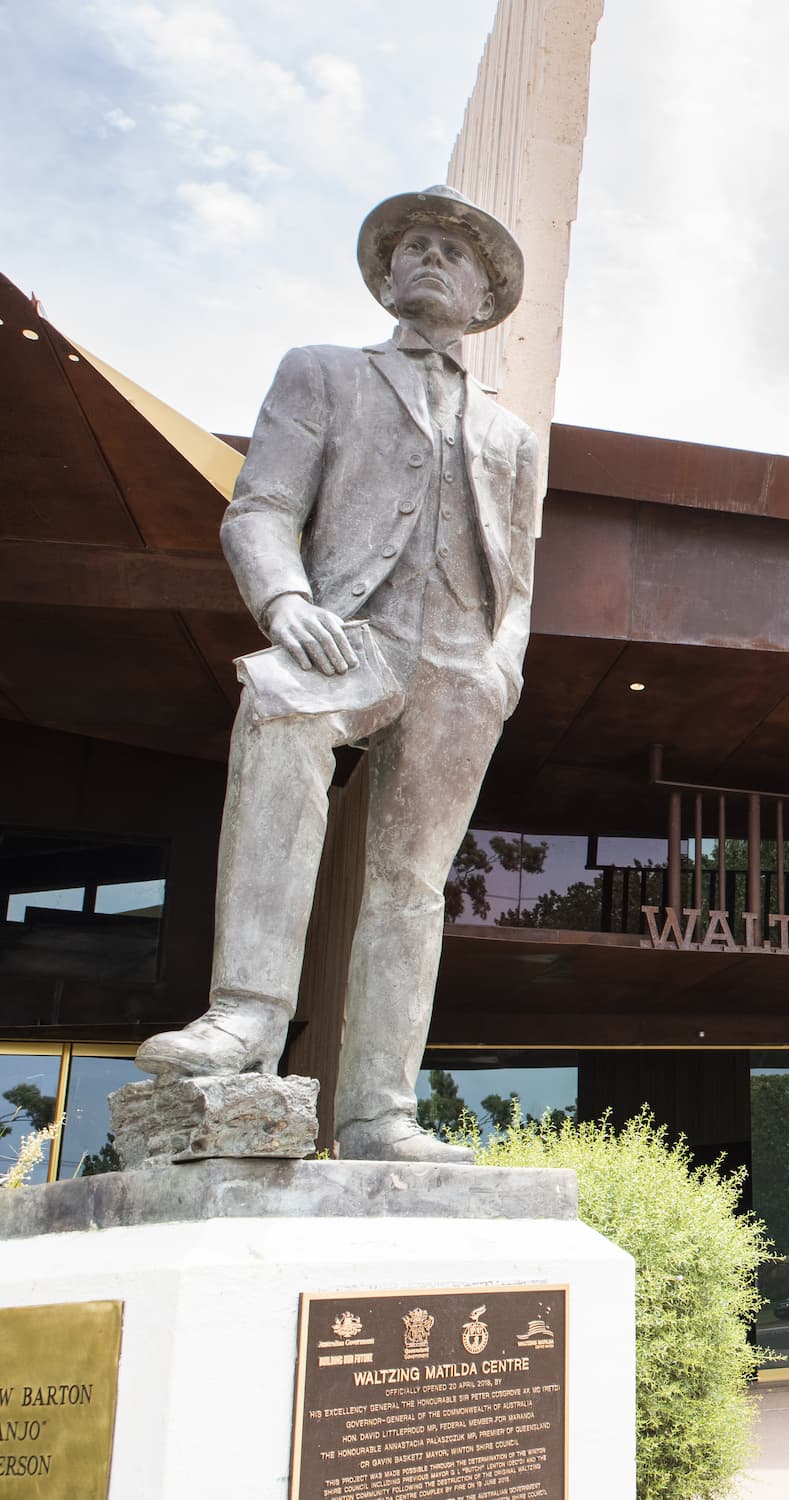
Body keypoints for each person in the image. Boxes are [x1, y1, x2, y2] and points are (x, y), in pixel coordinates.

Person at [134, 186, 539, 1162]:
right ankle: (245, 1016)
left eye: (455, 250)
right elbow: (261, 505)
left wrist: (502, 669)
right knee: (276, 707)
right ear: (388, 276)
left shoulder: (512, 437)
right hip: (348, 630)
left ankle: (381, 1113)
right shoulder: (322, 373)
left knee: (412, 880)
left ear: (486, 292)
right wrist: (285, 603)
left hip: (462, 667)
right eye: (416, 246)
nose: (433, 258)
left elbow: (519, 575)